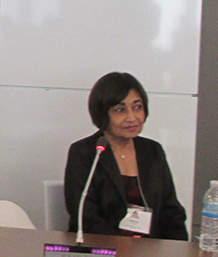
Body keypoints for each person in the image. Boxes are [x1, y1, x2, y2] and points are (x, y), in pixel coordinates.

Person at [64, 72, 187, 240]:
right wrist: (124, 251)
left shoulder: (152, 150)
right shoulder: (84, 152)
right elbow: (86, 217)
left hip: (151, 254)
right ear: (102, 114)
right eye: (120, 110)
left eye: (137, 107)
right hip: (102, 251)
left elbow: (171, 212)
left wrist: (180, 253)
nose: (132, 117)